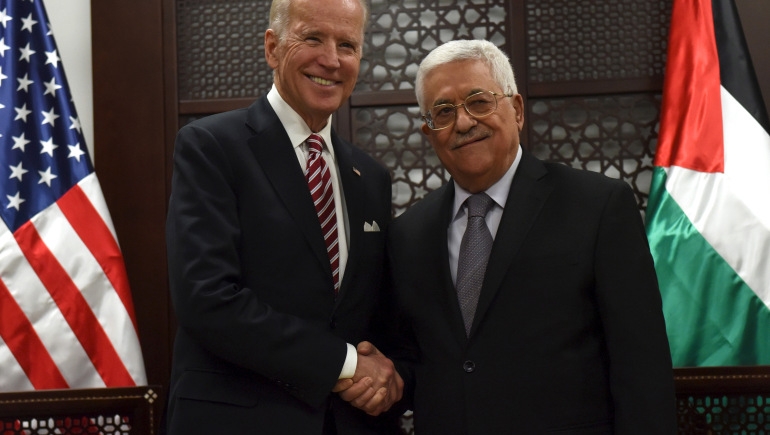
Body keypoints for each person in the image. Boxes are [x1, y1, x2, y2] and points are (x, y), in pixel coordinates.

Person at [344, 39, 678, 433]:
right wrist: (386, 379)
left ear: (516, 110)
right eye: (444, 112)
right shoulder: (407, 235)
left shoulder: (597, 207)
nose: (463, 122)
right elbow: (416, 359)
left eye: (479, 102)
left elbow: (642, 368)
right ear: (429, 132)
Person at [164, 0, 403, 433]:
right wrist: (346, 364)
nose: (331, 60)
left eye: (347, 45)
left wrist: (386, 377)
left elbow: (374, 312)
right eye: (313, 38)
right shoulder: (211, 147)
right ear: (272, 48)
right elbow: (207, 299)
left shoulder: (371, 177)